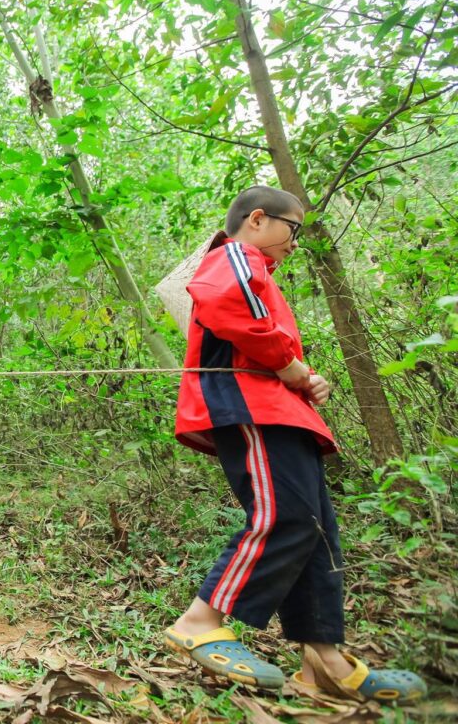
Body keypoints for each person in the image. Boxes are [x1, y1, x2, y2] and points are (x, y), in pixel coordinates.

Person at [164, 185, 426, 702]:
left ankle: (323, 659)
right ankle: (200, 620)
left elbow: (270, 347)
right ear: (258, 219)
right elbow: (223, 299)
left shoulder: (262, 274)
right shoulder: (235, 255)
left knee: (316, 529)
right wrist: (292, 367)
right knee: (285, 515)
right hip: (248, 407)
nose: (296, 242)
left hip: (282, 412)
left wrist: (304, 379)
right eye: (294, 228)